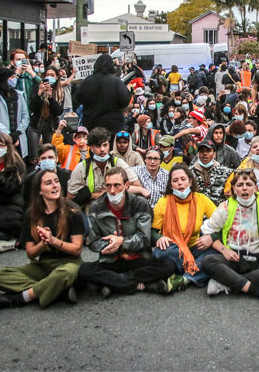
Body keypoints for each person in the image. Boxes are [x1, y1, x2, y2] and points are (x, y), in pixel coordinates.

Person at [0, 170, 84, 311]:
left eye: (56, 181)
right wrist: (43, 243)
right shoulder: (32, 214)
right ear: (39, 191)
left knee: (65, 273)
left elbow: (77, 249)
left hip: (69, 264)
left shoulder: (72, 210)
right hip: (43, 265)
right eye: (48, 183)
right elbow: (30, 254)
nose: (55, 186)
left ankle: (22, 297)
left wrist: (53, 240)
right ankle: (56, 291)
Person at [78, 168, 176, 297]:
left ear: (127, 185)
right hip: (111, 261)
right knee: (85, 270)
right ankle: (140, 284)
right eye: (108, 186)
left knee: (168, 265)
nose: (112, 190)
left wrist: (122, 241)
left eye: (117, 185)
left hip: (139, 258)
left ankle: (114, 282)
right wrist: (109, 244)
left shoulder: (140, 203)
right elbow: (92, 242)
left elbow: (144, 238)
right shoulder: (97, 207)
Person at [200, 169, 259, 304]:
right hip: (235, 257)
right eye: (240, 185)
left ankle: (228, 282)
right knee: (208, 261)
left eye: (248, 184)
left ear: (255, 187)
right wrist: (224, 250)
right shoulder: (226, 206)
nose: (244, 189)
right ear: (233, 188)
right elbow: (208, 230)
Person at [151, 164, 218, 287]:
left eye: (183, 179)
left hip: (195, 246)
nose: (180, 183)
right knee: (161, 253)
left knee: (217, 253)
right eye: (175, 181)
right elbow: (152, 231)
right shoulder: (163, 202)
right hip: (173, 249)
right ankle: (196, 272)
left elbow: (221, 222)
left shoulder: (201, 199)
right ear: (171, 185)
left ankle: (183, 278)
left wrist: (211, 238)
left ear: (190, 181)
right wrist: (159, 238)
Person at [67, 127, 140, 209]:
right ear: (91, 148)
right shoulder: (82, 167)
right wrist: (90, 196)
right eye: (98, 146)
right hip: (90, 211)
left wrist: (106, 192)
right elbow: (70, 197)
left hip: (115, 208)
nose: (102, 149)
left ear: (109, 145)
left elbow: (137, 186)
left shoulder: (118, 163)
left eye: (105, 145)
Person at [75, 54, 130, 137]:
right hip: (113, 124)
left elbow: (77, 99)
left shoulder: (87, 81)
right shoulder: (116, 81)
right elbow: (124, 100)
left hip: (91, 124)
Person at [0, 68, 30, 159]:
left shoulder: (19, 95)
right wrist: (8, 135)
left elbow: (25, 116)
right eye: (12, 77)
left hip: (19, 137)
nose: (14, 80)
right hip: (1, 139)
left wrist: (18, 132)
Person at [28, 68, 62, 165]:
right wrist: (39, 93)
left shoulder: (59, 91)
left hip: (50, 127)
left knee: (49, 153)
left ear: (56, 77)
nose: (49, 77)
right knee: (34, 156)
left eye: (52, 75)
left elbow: (59, 111)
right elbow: (32, 107)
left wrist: (51, 98)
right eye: (47, 75)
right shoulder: (37, 88)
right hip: (36, 125)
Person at [23, 143, 71, 209]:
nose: (47, 160)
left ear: (56, 159)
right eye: (43, 158)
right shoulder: (31, 179)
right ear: (39, 161)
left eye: (50, 157)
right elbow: (27, 203)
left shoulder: (67, 176)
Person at [190, 140, 233, 206]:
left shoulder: (226, 172)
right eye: (202, 151)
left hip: (219, 211)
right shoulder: (189, 173)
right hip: (197, 210)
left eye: (208, 151)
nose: (205, 154)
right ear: (198, 154)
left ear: (214, 154)